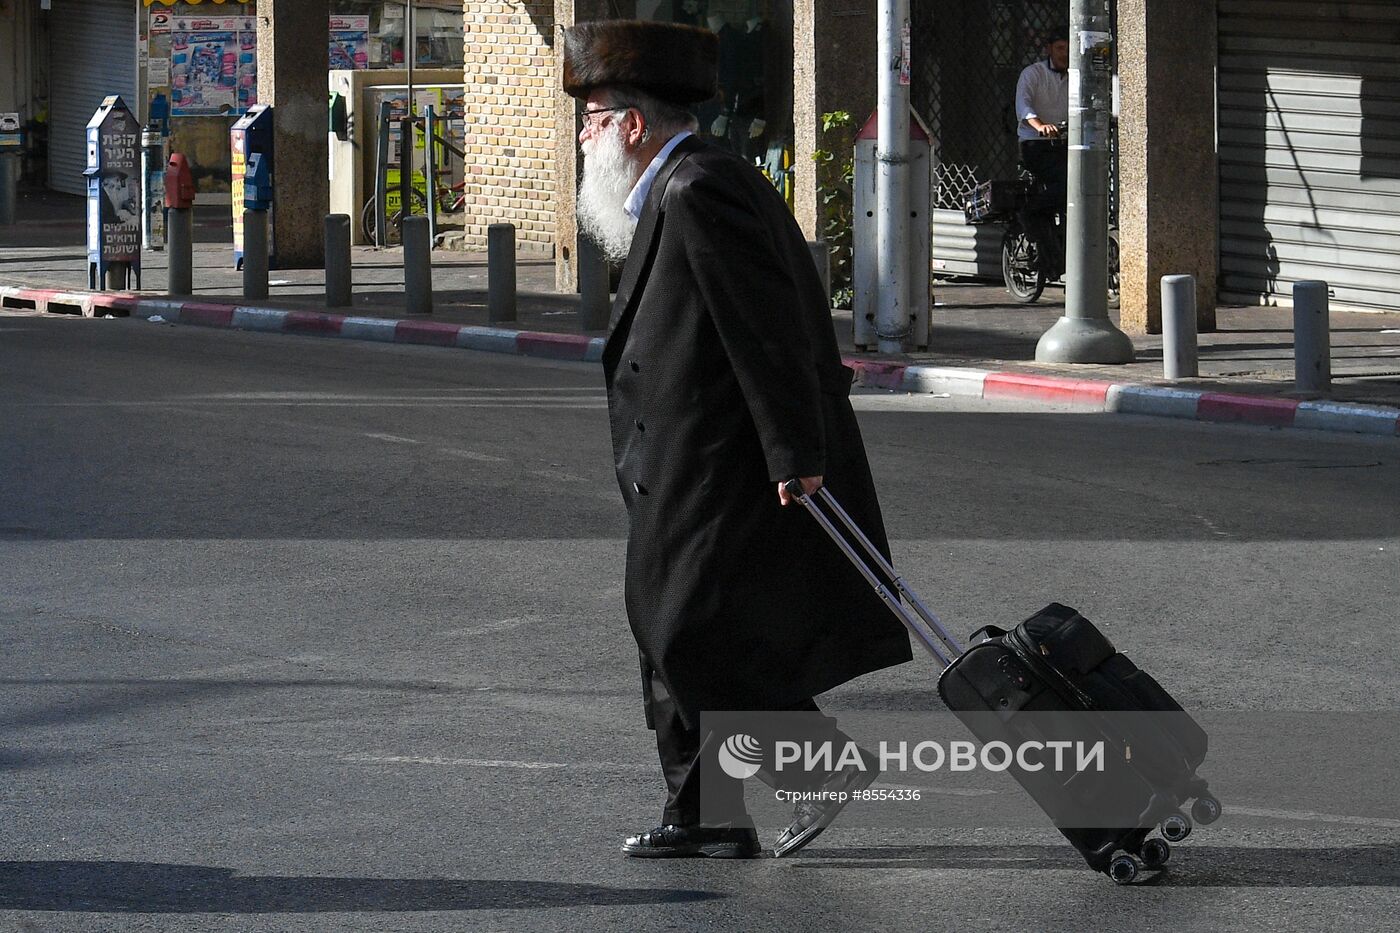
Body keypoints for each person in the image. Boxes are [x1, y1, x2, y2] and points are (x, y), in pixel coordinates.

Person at [562, 20, 913, 860]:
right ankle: (706, 812)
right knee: (668, 631)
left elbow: (769, 329)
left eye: (593, 116)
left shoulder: (698, 189)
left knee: (688, 630)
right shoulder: (679, 186)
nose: (582, 134)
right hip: (679, 463)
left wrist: (795, 451)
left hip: (720, 466)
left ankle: (817, 769)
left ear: (633, 125)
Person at [1013, 28, 1070, 273]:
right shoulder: (1033, 74)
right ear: (1049, 49)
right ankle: (1031, 210)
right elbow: (1023, 107)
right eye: (1060, 48)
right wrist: (1040, 126)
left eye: (1068, 49)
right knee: (1065, 182)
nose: (1064, 54)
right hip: (1035, 144)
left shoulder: (1078, 76)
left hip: (1066, 142)